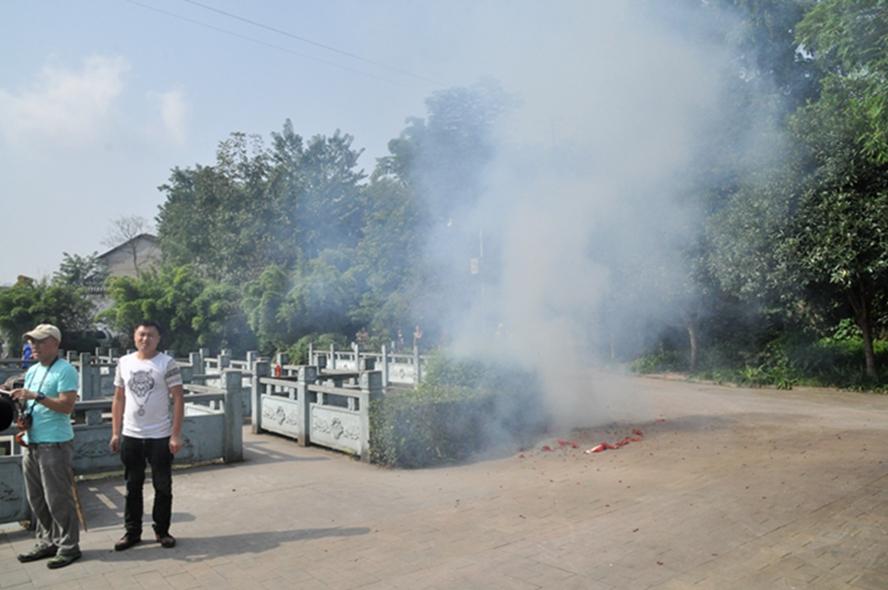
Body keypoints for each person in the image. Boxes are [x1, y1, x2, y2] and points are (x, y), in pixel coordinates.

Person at [7, 324, 82, 568]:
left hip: (55, 442)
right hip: (31, 439)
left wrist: (36, 396)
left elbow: (66, 406)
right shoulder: (33, 370)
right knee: (37, 498)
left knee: (57, 497)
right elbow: (29, 401)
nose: (34, 346)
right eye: (32, 341)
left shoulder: (66, 370)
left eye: (40, 341)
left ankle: (69, 546)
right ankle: (47, 541)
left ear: (55, 343)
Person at [109, 319, 185, 551]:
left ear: (158, 339)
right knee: (132, 486)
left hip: (160, 436)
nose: (145, 339)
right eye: (141, 334)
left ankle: (162, 530)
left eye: (151, 335)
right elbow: (119, 398)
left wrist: (175, 434)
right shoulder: (124, 362)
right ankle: (132, 532)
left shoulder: (166, 363)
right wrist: (115, 433)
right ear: (134, 337)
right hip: (131, 435)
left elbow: (178, 398)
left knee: (162, 486)